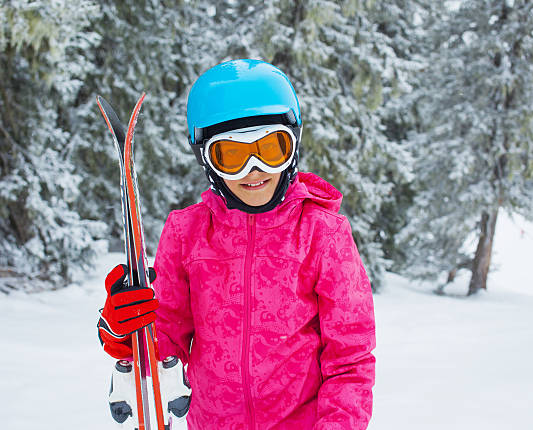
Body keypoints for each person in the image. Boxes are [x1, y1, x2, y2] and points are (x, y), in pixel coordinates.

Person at [97, 59, 376, 429]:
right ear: (207, 160)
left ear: (292, 148)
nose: (254, 169)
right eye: (231, 155)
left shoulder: (322, 234)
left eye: (270, 149)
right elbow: (163, 346)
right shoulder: (187, 233)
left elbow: (350, 359)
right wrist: (124, 330)